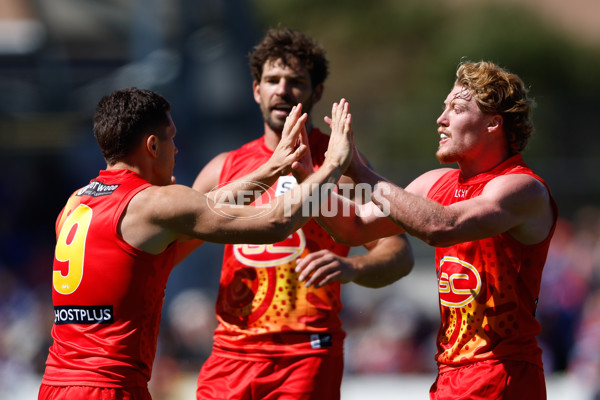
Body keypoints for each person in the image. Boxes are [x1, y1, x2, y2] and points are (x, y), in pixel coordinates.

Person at [38, 87, 355, 400]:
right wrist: (333, 165)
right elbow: (276, 223)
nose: (175, 150)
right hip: (110, 389)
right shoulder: (154, 203)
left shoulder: (76, 202)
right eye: (171, 138)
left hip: (55, 384)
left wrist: (272, 168)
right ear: (152, 145)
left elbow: (208, 205)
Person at [312, 61, 558, 399]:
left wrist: (361, 172)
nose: (440, 120)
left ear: (493, 123)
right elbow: (353, 227)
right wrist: (309, 179)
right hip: (448, 377)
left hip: (503, 376)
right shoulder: (434, 183)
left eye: (456, 108)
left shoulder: (521, 188)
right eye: (444, 108)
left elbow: (440, 226)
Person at [191, 27, 414, 400]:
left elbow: (399, 253)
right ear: (255, 90)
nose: (282, 89)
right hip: (230, 355)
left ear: (317, 92)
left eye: (295, 81)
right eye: (272, 80)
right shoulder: (222, 168)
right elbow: (171, 246)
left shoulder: (341, 166)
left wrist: (352, 269)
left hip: (306, 353)